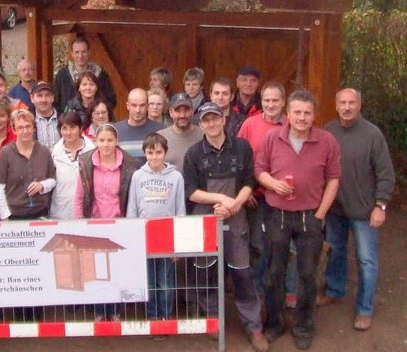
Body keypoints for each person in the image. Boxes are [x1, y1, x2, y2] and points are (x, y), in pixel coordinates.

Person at [255, 89, 341, 350]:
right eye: (297, 112)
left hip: (310, 218)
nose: (302, 117)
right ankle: (275, 323)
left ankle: (304, 326)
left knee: (307, 275)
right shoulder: (272, 137)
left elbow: (334, 178)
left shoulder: (327, 141)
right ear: (288, 114)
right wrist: (272, 183)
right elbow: (259, 170)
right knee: (274, 272)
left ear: (314, 115)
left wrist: (321, 214)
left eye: (307, 113)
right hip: (277, 215)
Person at [183, 102, 268, 352]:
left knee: (242, 273)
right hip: (206, 219)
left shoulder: (241, 148)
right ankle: (212, 318)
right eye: (206, 120)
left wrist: (234, 205)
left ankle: (253, 327)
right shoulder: (194, 153)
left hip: (236, 217)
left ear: (223, 120)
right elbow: (191, 192)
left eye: (215, 119)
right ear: (201, 124)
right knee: (205, 271)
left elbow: (249, 181)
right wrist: (220, 200)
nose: (211, 124)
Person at [319, 88, 395, 331]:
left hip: (364, 211)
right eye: (343, 102)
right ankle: (334, 291)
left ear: (359, 105)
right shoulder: (328, 131)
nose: (347, 107)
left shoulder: (373, 134)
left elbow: (386, 174)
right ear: (336, 104)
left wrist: (380, 205)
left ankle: (364, 309)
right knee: (336, 252)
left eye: (352, 102)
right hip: (336, 209)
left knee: (366, 260)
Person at [74, 123, 139, 321]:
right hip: (94, 223)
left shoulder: (130, 164)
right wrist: (78, 224)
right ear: (95, 141)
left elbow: (132, 196)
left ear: (117, 142)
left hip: (119, 224)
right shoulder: (86, 164)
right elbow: (79, 197)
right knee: (96, 271)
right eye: (101, 140)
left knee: (116, 270)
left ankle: (115, 309)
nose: (106, 144)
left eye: (110, 140)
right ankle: (100, 310)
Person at [238, 82, 290, 299]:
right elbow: (239, 158)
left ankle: (286, 290)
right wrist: (245, 190)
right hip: (256, 197)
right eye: (267, 100)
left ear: (283, 102)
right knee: (258, 244)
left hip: (286, 198)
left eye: (275, 100)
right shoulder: (250, 124)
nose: (270, 104)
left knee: (286, 244)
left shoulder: (292, 124)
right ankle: (258, 291)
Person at [126, 133, 185, 323]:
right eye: (150, 152)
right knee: (150, 282)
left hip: (167, 236)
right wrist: (133, 238)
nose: (155, 157)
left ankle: (166, 318)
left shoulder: (176, 177)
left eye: (159, 152)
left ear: (165, 153)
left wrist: (178, 243)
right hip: (145, 236)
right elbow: (132, 208)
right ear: (145, 153)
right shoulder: (137, 176)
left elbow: (180, 209)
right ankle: (153, 317)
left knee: (165, 282)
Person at [0, 110, 56, 220]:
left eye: (28, 126)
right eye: (20, 128)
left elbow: (53, 179)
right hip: (14, 215)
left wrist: (42, 185)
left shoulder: (44, 151)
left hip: (40, 213)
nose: (25, 131)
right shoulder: (5, 153)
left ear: (34, 128)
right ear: (13, 130)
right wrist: (5, 217)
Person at [50, 111, 96, 220]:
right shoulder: (54, 154)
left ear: (80, 129)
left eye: (72, 127)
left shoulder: (93, 151)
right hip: (61, 212)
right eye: (64, 128)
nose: (68, 132)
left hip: (88, 212)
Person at [53, 36, 116, 114]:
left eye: (84, 52)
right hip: (70, 123)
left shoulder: (101, 75)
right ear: (72, 53)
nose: (80, 56)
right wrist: (64, 118)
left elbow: (111, 100)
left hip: (95, 121)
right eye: (77, 52)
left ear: (89, 52)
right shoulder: (62, 75)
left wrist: (100, 114)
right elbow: (55, 101)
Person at [113, 88, 164, 165]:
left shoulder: (160, 130)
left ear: (147, 106)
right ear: (127, 106)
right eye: (134, 105)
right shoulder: (115, 130)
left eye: (142, 105)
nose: (138, 110)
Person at [157, 92, 204, 174]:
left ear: (192, 111)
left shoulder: (203, 136)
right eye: (178, 111)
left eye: (186, 110)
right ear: (171, 112)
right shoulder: (160, 137)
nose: (182, 115)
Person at [32, 81, 61, 150]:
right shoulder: (28, 121)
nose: (43, 100)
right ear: (32, 98)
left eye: (47, 95)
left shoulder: (63, 118)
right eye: (39, 95)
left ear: (52, 98)